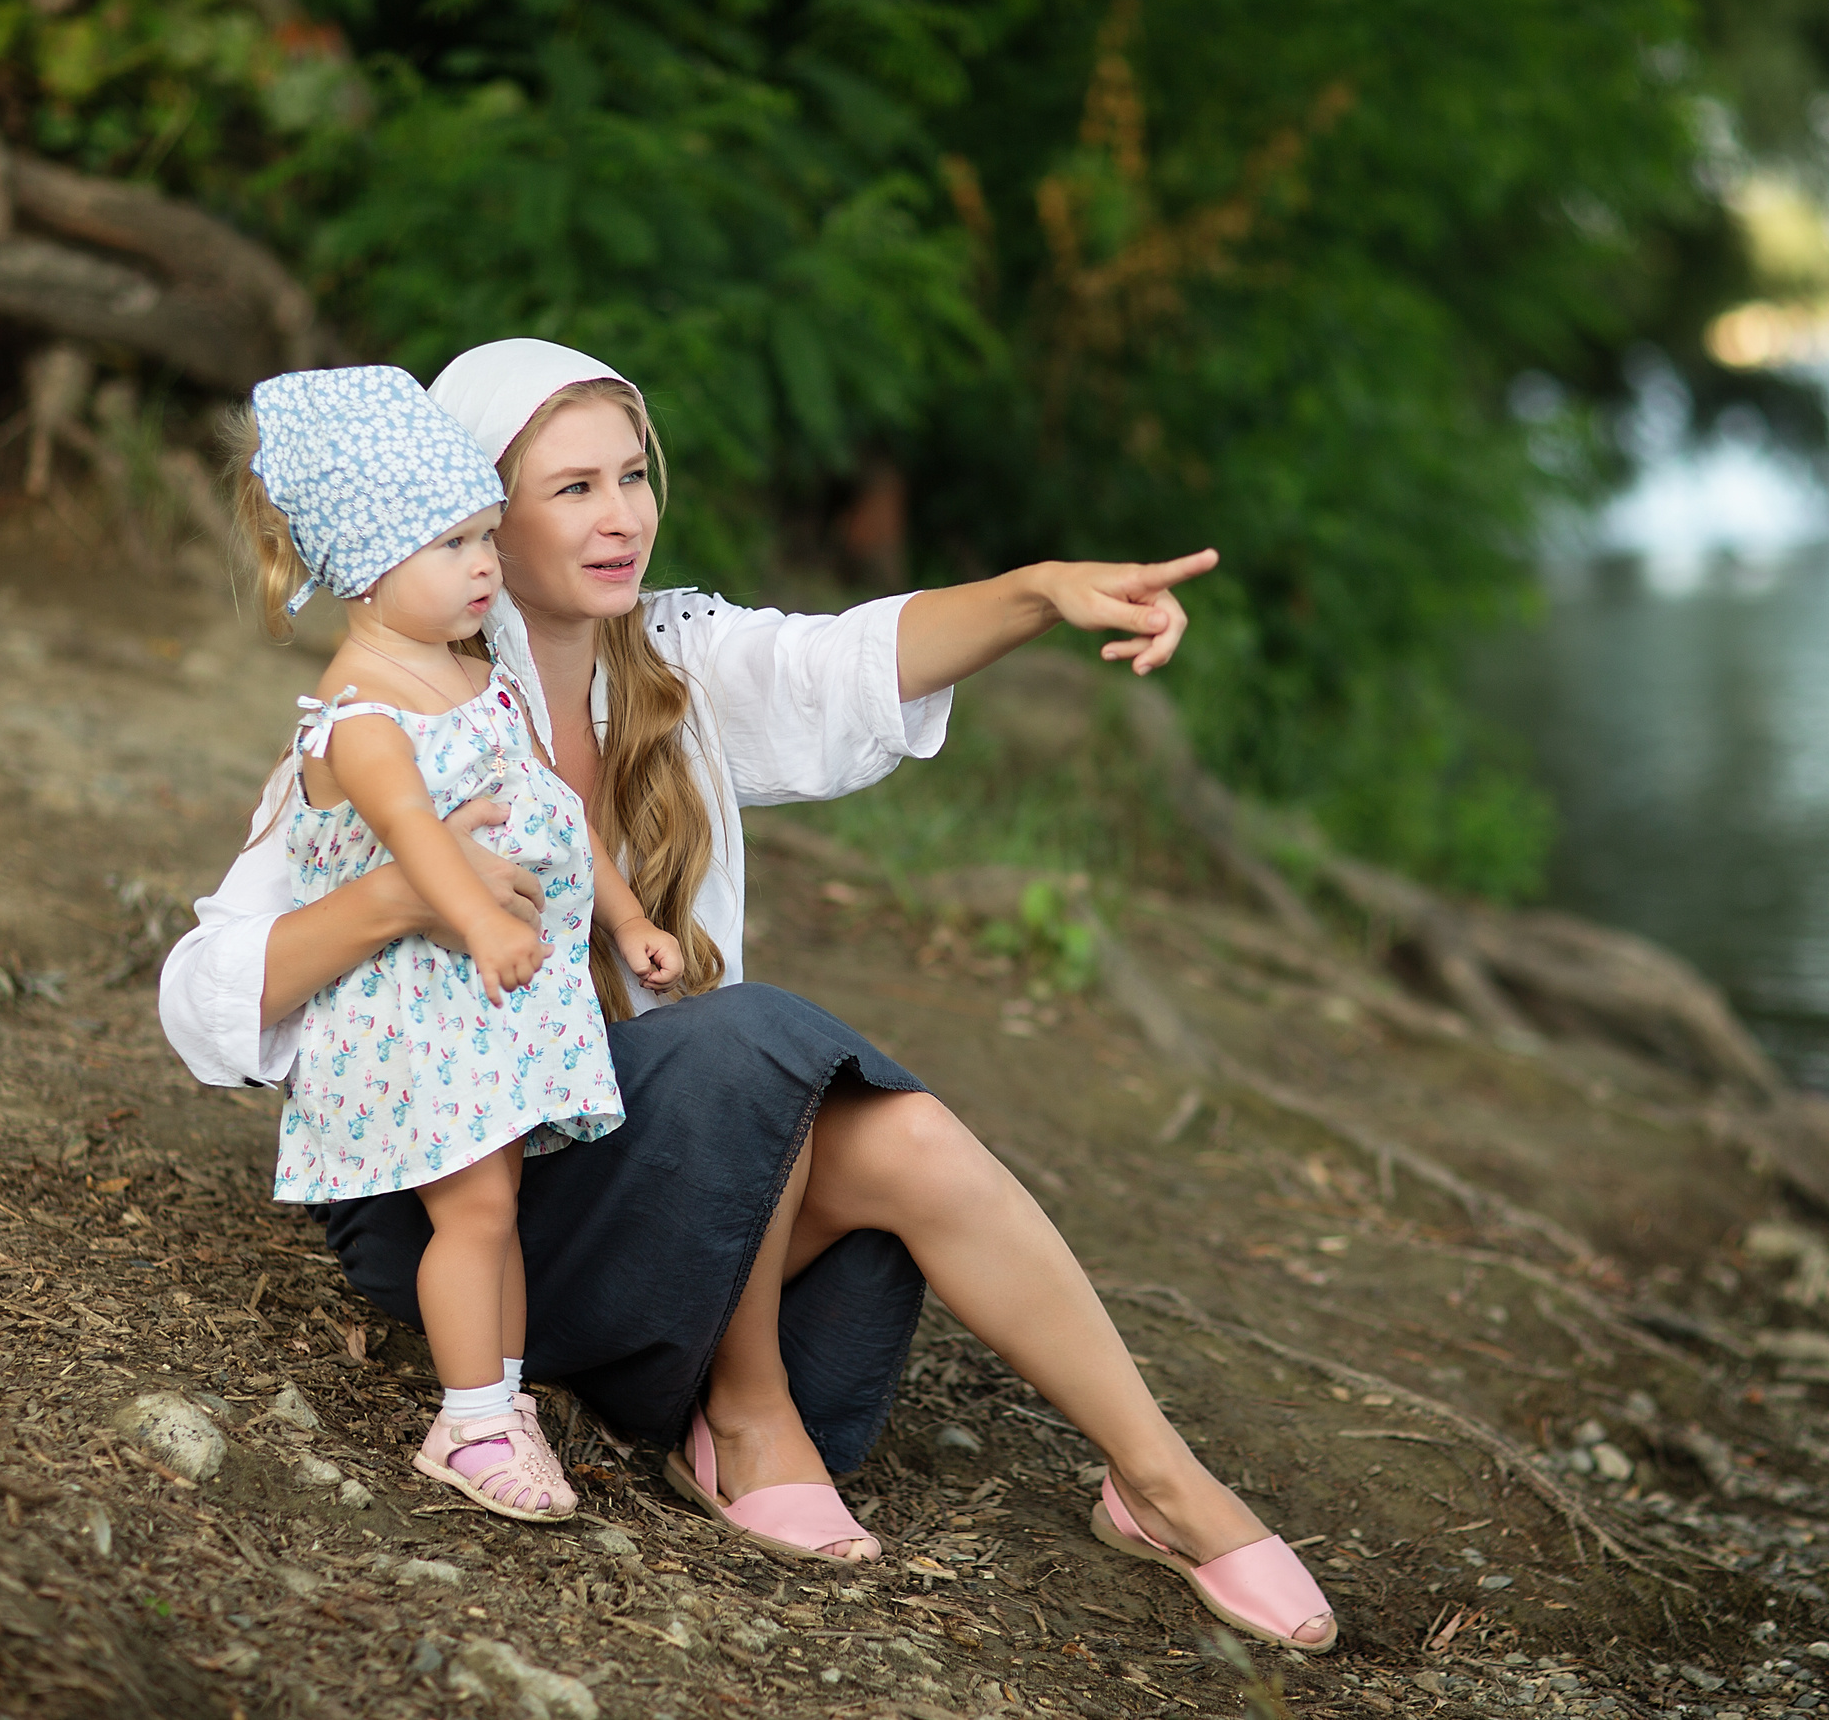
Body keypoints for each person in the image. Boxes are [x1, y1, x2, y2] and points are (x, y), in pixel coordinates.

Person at [160, 340, 1338, 1651]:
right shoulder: (397, 708)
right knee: (756, 1038)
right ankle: (743, 1411)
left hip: (653, 1178)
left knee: (903, 1137)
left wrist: (1042, 593)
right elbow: (201, 997)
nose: (622, 516)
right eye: (570, 490)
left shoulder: (670, 660)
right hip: (454, 1196)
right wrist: (398, 899)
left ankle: (1161, 1486)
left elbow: (851, 663)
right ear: (463, 515)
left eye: (633, 475)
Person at [227, 365, 680, 1526]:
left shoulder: (479, 676)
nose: (485, 565)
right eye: (452, 546)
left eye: (487, 535)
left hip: (486, 1003)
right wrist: (480, 918)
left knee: (496, 1206)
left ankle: (498, 1394)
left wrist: (626, 922)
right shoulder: (362, 713)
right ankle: (473, 1419)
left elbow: (555, 811)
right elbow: (413, 842)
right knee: (474, 1211)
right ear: (368, 568)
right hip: (418, 1013)